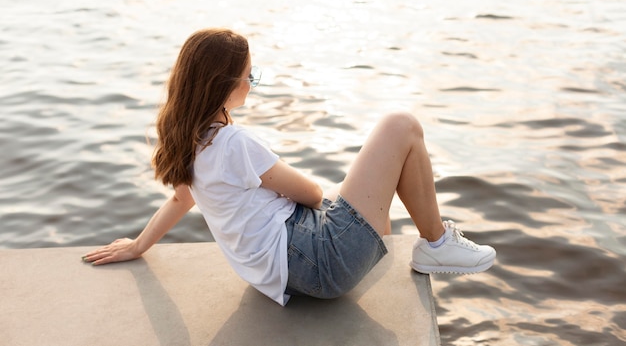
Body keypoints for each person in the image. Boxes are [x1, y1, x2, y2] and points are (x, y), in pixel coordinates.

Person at [82, 28, 496, 306]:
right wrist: (290, 187)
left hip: (280, 272)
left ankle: (432, 241)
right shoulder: (234, 143)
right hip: (320, 264)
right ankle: (438, 243)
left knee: (355, 190)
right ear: (226, 86)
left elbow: (180, 199)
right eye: (250, 76)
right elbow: (311, 195)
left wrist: (138, 245)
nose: (252, 84)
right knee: (400, 126)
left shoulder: (192, 141)